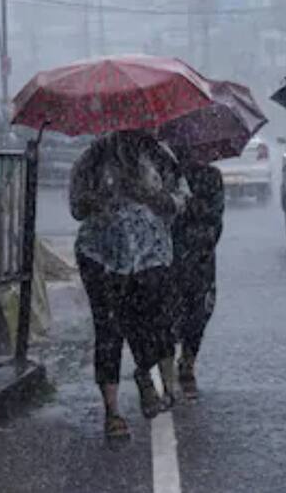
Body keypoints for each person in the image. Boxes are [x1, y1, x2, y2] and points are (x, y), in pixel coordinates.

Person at [70, 130, 190, 438]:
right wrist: (101, 199)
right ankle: (112, 411)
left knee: (151, 323)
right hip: (101, 255)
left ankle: (147, 376)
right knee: (108, 329)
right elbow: (77, 208)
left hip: (151, 255)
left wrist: (150, 195)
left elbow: (180, 200)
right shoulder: (92, 159)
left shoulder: (160, 156)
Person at [170, 151, 224, 400]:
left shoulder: (211, 177)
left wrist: (194, 210)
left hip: (200, 256)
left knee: (199, 311)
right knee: (167, 310)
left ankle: (188, 362)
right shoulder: (165, 173)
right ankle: (166, 361)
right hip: (167, 254)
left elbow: (216, 218)